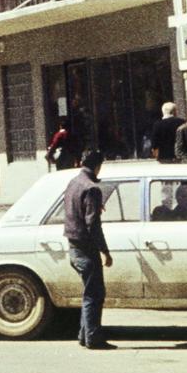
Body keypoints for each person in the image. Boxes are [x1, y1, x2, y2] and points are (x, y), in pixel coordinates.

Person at [62, 149, 114, 350]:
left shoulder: (74, 182)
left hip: (73, 245)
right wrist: (105, 251)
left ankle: (85, 335)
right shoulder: (92, 188)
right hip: (86, 247)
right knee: (94, 293)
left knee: (89, 292)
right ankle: (93, 337)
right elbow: (93, 224)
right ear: (97, 166)